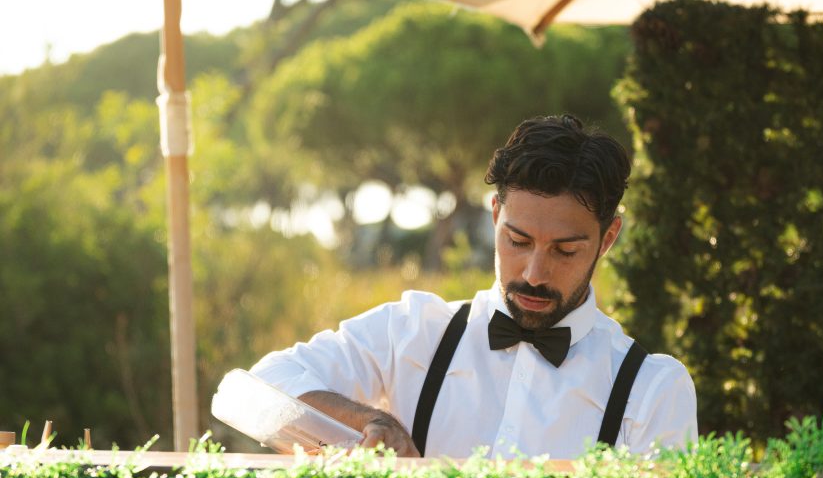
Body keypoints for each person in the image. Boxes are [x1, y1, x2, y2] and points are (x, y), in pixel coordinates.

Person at [250, 114, 696, 458]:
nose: (535, 273)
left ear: (609, 237)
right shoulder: (410, 332)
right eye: (518, 241)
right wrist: (370, 420)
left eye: (565, 250)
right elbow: (260, 386)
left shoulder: (652, 387)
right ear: (495, 214)